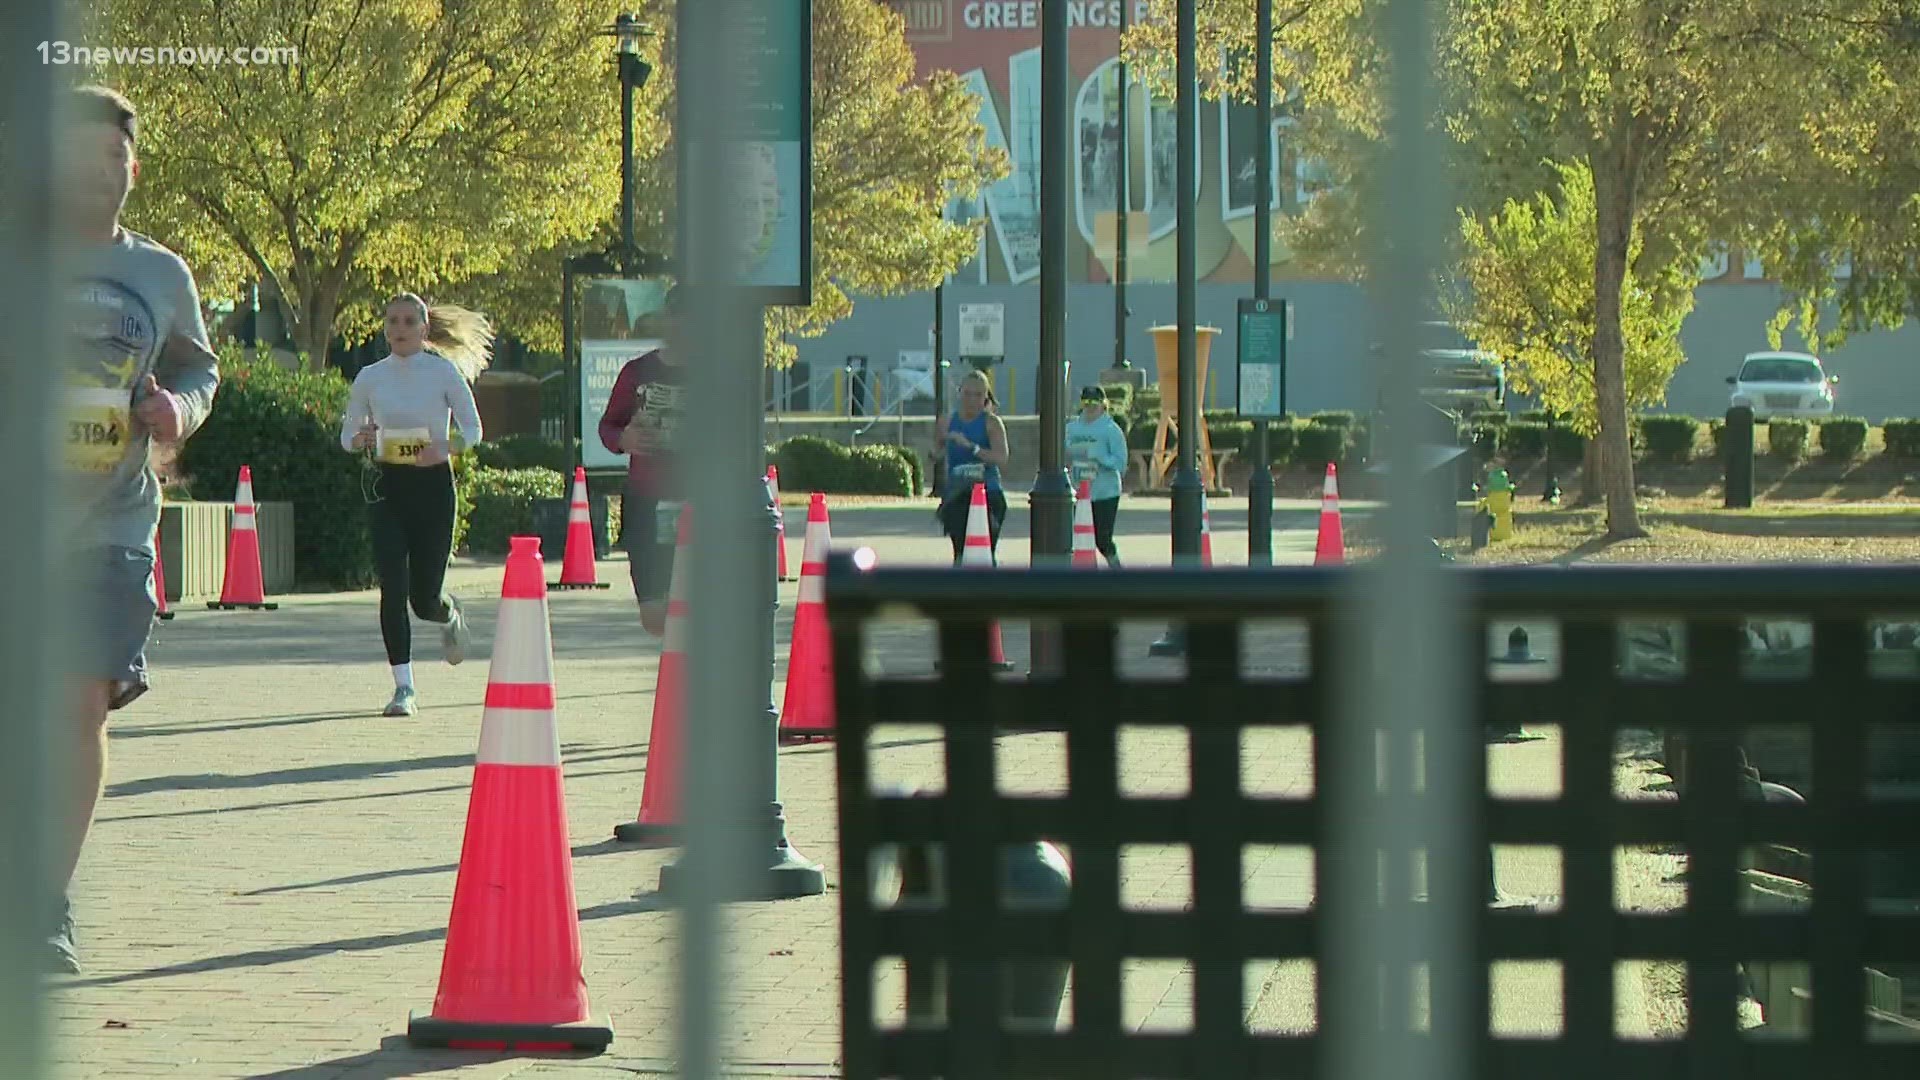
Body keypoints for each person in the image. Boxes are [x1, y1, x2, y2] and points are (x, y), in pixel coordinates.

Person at [52, 86, 222, 974]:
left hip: (112, 522)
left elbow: (199, 368)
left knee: (80, 704)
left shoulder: (160, 274)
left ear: (133, 167)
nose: (99, 173)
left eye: (113, 158)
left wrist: (176, 408)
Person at [341, 294, 490, 717]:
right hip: (389, 488)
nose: (400, 328)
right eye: (393, 321)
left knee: (423, 600)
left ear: (425, 330)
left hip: (434, 489)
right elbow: (347, 435)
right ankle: (404, 688)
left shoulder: (442, 372)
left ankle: (448, 613)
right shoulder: (370, 377)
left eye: (409, 321)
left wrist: (445, 447)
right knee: (392, 586)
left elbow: (474, 429)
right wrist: (361, 440)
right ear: (385, 328)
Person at [598, 286, 686, 634]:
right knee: (655, 617)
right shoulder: (638, 372)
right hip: (647, 499)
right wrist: (624, 439)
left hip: (701, 503)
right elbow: (608, 426)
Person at [934, 368, 1011, 563]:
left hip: (989, 493)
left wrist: (972, 448)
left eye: (978, 395)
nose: (972, 400)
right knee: (961, 552)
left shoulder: (992, 423)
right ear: (960, 393)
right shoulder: (947, 420)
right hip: (957, 493)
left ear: (986, 397)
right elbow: (936, 453)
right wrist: (938, 450)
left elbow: (1001, 458)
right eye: (967, 394)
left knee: (984, 551)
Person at [1066, 385, 1128, 567]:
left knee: (1103, 539)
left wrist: (1100, 456)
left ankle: (1117, 569)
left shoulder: (1111, 430)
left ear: (1103, 404)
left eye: (1095, 402)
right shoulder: (1071, 428)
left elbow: (1120, 463)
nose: (1090, 406)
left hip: (1105, 492)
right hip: (1078, 492)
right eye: (1086, 402)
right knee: (1076, 538)